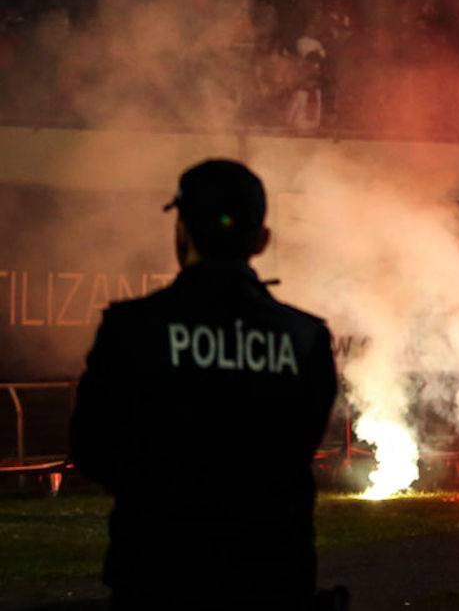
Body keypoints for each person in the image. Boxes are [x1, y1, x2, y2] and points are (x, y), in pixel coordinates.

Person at [70, 159, 338, 611]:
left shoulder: (131, 329)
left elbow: (93, 449)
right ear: (261, 239)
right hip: (273, 576)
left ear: (181, 232)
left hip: (158, 575)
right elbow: (302, 440)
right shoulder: (305, 338)